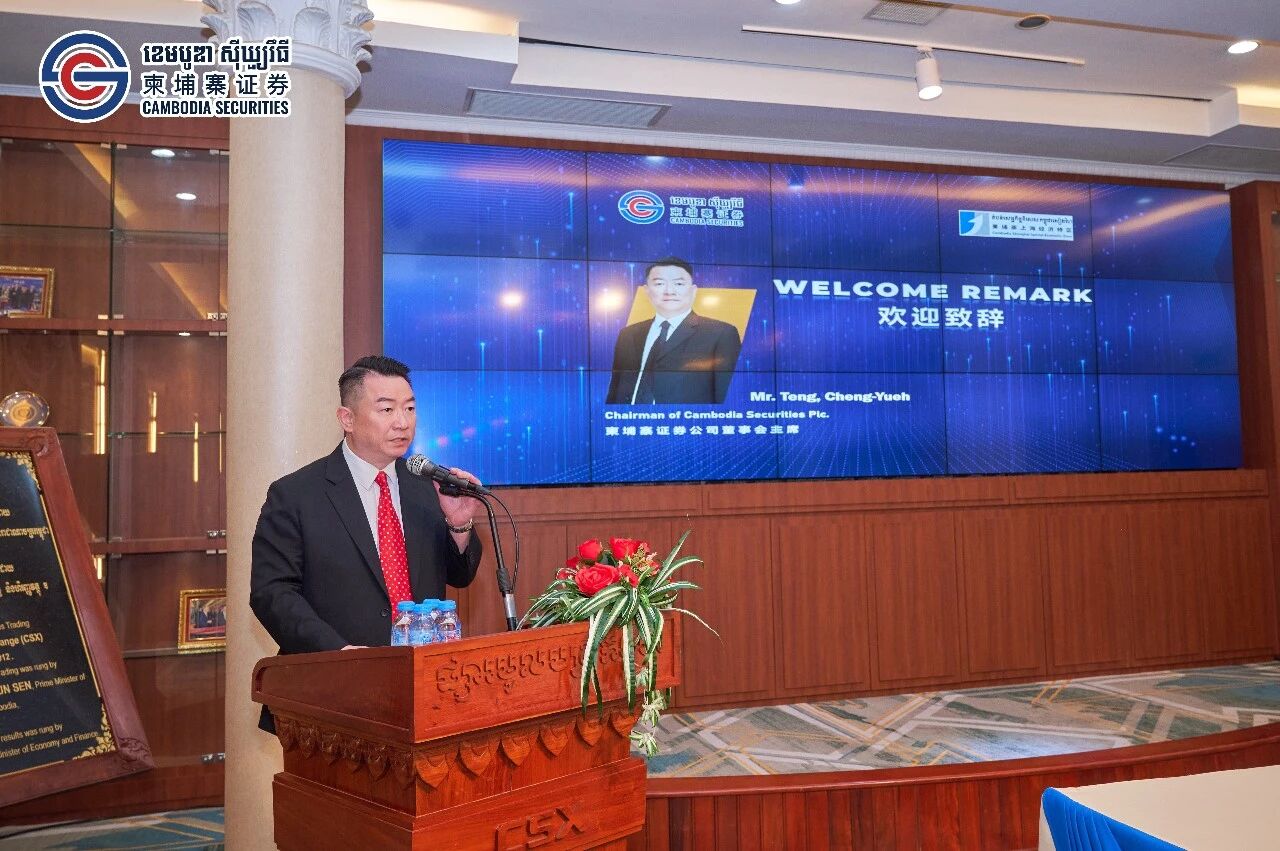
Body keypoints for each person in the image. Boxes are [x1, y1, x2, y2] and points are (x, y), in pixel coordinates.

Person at [250, 355, 483, 731]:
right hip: (332, 696)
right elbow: (271, 594)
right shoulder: (296, 495)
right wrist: (339, 654)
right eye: (387, 409)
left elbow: (460, 575)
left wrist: (459, 524)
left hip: (422, 691)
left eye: (409, 408)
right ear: (347, 418)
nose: (402, 422)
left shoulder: (427, 487)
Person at [605, 257, 742, 405]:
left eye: (679, 284)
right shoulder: (628, 334)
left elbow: (726, 397)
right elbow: (615, 390)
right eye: (659, 284)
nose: (669, 291)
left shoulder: (721, 333)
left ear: (693, 291)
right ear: (647, 291)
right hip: (628, 418)